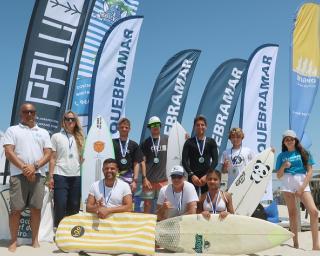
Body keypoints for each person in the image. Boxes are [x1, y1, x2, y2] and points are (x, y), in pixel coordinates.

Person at [3, 103, 52, 252]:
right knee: (16, 210)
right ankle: (13, 241)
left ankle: (35, 240)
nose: (29, 114)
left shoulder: (43, 132)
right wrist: (25, 168)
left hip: (38, 175)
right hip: (18, 175)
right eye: (25, 111)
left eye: (31, 112)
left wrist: (34, 167)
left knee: (36, 209)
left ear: (35, 113)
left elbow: (48, 153)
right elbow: (9, 152)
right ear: (21, 114)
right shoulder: (13, 130)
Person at [276, 130, 319, 250]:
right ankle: (295, 243)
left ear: (295, 140)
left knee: (314, 212)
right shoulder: (281, 156)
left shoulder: (305, 153)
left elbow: (310, 172)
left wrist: (301, 187)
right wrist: (283, 166)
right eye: (286, 139)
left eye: (291, 139)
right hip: (287, 183)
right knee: (292, 214)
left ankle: (315, 245)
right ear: (284, 142)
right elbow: (278, 176)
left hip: (302, 182)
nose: (289, 141)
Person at [48, 111, 84, 227]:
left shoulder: (80, 137)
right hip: (60, 175)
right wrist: (51, 176)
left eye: (72, 119)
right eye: (67, 119)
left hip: (76, 175)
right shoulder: (56, 136)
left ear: (75, 121)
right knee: (60, 204)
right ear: (63, 121)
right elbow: (52, 158)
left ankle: (70, 231)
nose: (70, 121)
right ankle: (58, 229)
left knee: (74, 205)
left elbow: (82, 158)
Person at [182, 115, 218, 194]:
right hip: (193, 176)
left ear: (206, 127)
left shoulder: (211, 142)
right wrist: (192, 175)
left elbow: (215, 160)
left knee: (206, 202)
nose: (200, 127)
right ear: (194, 127)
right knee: (192, 202)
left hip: (206, 176)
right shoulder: (189, 142)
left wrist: (207, 175)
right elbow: (184, 161)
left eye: (202, 125)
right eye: (197, 125)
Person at [140, 116, 168, 213]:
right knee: (147, 204)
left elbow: (178, 150)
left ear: (160, 126)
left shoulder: (167, 139)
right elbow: (142, 162)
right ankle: (145, 226)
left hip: (163, 180)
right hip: (149, 181)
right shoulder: (145, 143)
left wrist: (185, 138)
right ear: (149, 128)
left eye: (157, 125)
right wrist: (144, 178)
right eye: (152, 125)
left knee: (163, 205)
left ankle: (162, 224)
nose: (155, 127)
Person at [112, 117, 143, 192]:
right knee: (114, 200)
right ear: (118, 128)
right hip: (114, 176)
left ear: (129, 129)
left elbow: (136, 163)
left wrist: (135, 181)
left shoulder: (134, 145)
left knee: (128, 201)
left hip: (129, 177)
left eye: (126, 127)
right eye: (122, 127)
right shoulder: (112, 143)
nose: (124, 129)